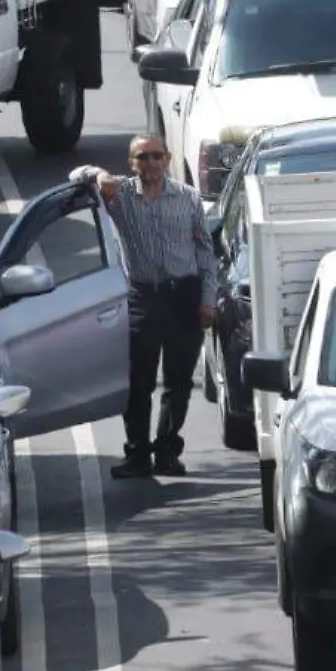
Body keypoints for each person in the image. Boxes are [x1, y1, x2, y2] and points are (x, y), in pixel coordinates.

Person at [72, 136, 218, 478]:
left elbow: (205, 254)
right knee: (138, 382)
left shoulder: (188, 198)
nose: (150, 163)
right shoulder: (119, 195)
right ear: (132, 162)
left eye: (156, 156)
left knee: (178, 381)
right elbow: (75, 176)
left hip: (184, 296)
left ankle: (167, 450)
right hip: (142, 297)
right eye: (143, 157)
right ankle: (137, 454)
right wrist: (97, 174)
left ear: (167, 160)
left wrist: (207, 301)